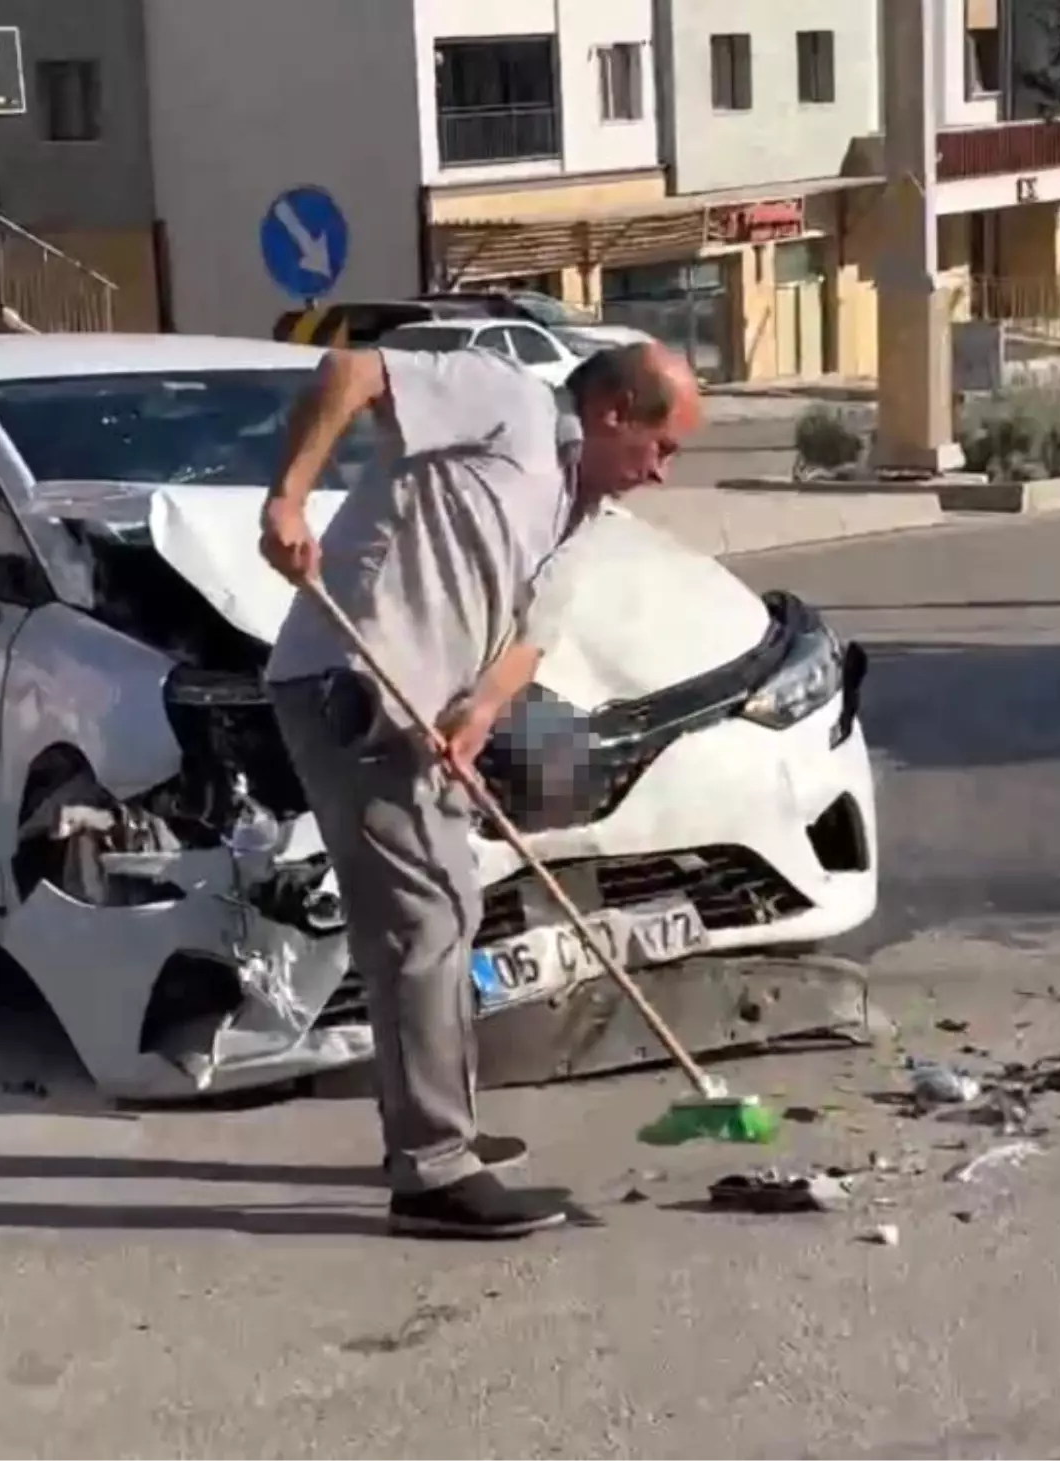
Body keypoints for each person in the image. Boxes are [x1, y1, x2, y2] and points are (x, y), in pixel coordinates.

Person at [259, 339, 702, 1239]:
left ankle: (432, 1128)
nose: (659, 474)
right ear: (613, 409)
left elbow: (530, 640)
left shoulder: (579, 517)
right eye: (661, 447)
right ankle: (432, 1171)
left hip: (424, 719)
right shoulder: (509, 404)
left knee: (450, 907)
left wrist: (480, 716)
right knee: (421, 916)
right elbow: (352, 371)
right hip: (349, 684)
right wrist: (289, 496)